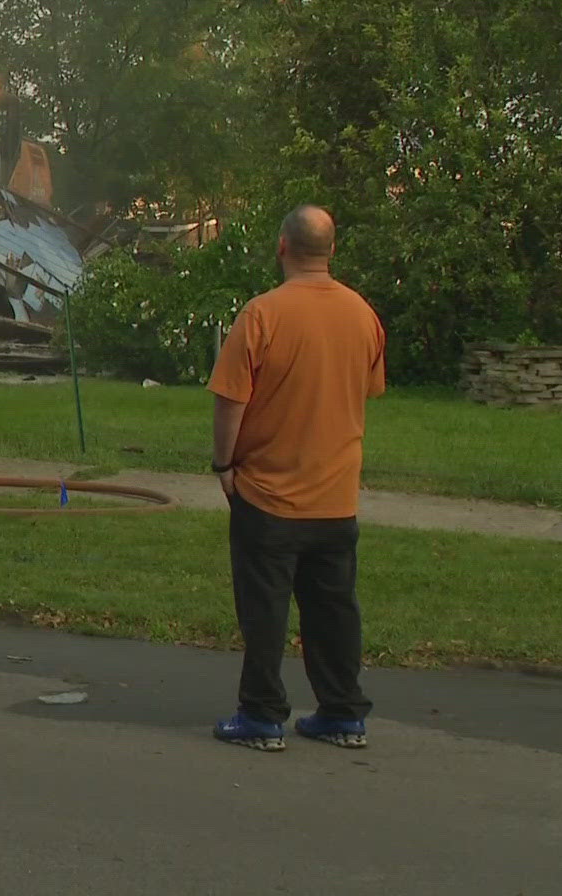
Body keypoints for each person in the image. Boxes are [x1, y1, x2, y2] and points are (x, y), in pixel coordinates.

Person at [208, 205, 386, 752]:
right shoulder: (363, 316)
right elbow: (366, 391)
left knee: (265, 610)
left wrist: (225, 465)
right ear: (331, 250)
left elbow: (231, 400)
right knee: (334, 609)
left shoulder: (261, 315)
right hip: (335, 496)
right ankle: (342, 711)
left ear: (282, 246)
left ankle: (262, 715)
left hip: (268, 494)